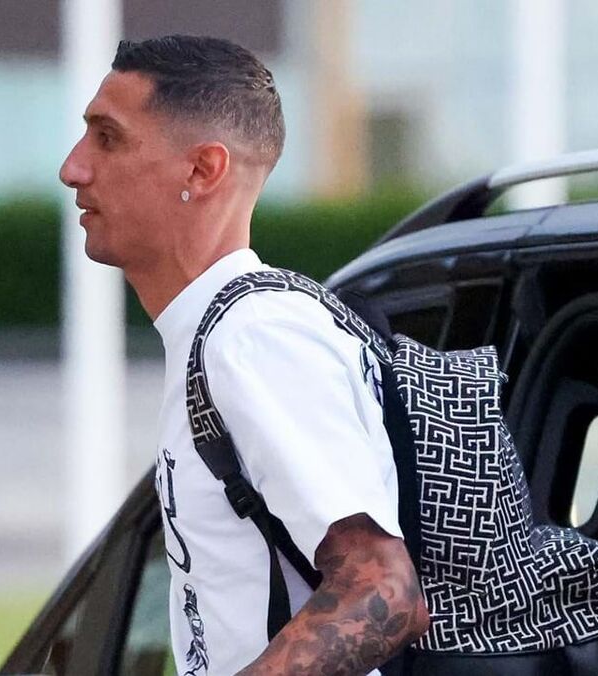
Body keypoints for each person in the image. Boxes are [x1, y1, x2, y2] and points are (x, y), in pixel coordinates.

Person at [59, 35, 429, 675]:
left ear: (203, 170)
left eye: (108, 138)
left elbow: (382, 593)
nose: (73, 167)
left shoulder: (254, 337)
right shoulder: (223, 332)